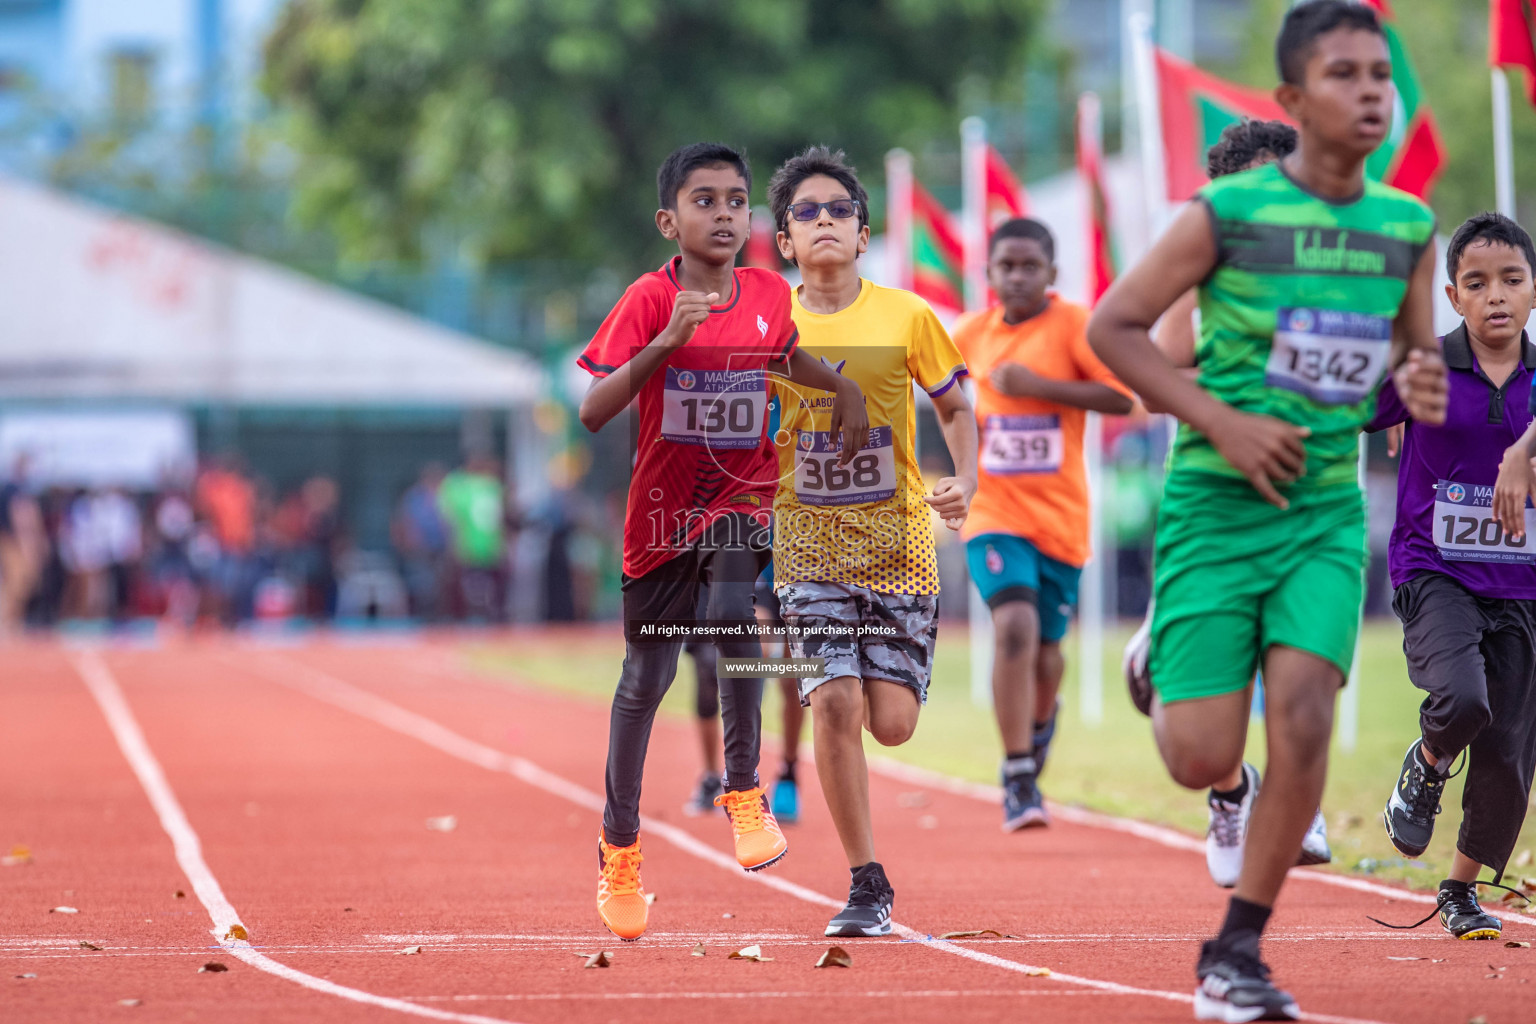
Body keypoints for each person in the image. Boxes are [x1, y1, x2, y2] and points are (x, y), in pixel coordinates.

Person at [1088, 3, 1448, 1019]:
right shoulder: (1225, 215)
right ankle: (1175, 680)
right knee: (1201, 751)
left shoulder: (1407, 227)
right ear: (1292, 98)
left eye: (1380, 73)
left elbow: (1412, 356)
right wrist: (1222, 421)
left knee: (1303, 715)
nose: (1371, 91)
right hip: (1213, 501)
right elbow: (1115, 330)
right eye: (1344, 74)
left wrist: (1420, 386)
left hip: (1324, 510)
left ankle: (1237, 949)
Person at [576, 142, 867, 942]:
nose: (725, 214)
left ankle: (744, 789)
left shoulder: (772, 293)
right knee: (649, 673)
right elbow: (594, 410)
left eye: (737, 200)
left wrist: (838, 387)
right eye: (705, 201)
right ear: (670, 221)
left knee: (740, 608)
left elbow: (785, 354)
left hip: (737, 501)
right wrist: (667, 341)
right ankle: (620, 845)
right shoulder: (647, 298)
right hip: (660, 515)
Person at [766, 147, 977, 937]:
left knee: (890, 722)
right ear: (785, 240)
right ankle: (866, 881)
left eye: (839, 211)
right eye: (806, 213)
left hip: (898, 548)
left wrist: (968, 478)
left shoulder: (908, 316)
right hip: (807, 543)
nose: (824, 221)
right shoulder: (768, 327)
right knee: (836, 700)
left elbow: (956, 405)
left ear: (864, 234)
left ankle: (894, 688)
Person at [1122, 118, 1333, 885]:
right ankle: (1229, 793)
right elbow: (1164, 364)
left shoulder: (1325, 265)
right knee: (1217, 692)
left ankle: (1296, 799)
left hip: (1304, 497)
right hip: (1210, 498)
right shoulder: (1200, 260)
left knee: (1295, 665)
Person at [1369, 213, 1536, 941]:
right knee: (1463, 699)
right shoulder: (1424, 370)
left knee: (1507, 751)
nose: (1495, 295)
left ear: (1533, 291)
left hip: (1523, 585)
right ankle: (1429, 760)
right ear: (1452, 295)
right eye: (1477, 282)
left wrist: (1523, 450)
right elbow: (1338, 414)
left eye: (1511, 280)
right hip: (1434, 569)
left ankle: (1460, 889)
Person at [953, 217, 1133, 831]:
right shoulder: (969, 335)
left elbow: (1122, 399)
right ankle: (1017, 773)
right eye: (1007, 266)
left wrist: (1041, 386)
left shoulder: (1076, 325)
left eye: (1031, 266)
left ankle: (1038, 724)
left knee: (1049, 652)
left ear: (1053, 273)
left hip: (1060, 518)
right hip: (993, 513)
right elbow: (938, 401)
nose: (1019, 276)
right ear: (989, 273)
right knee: (1014, 628)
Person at [437, 454, 508, 622]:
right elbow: (450, 519)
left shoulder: (491, 485)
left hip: (490, 546)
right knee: (463, 588)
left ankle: (490, 619)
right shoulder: (458, 485)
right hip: (468, 546)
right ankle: (461, 619)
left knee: (492, 589)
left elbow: (499, 517)